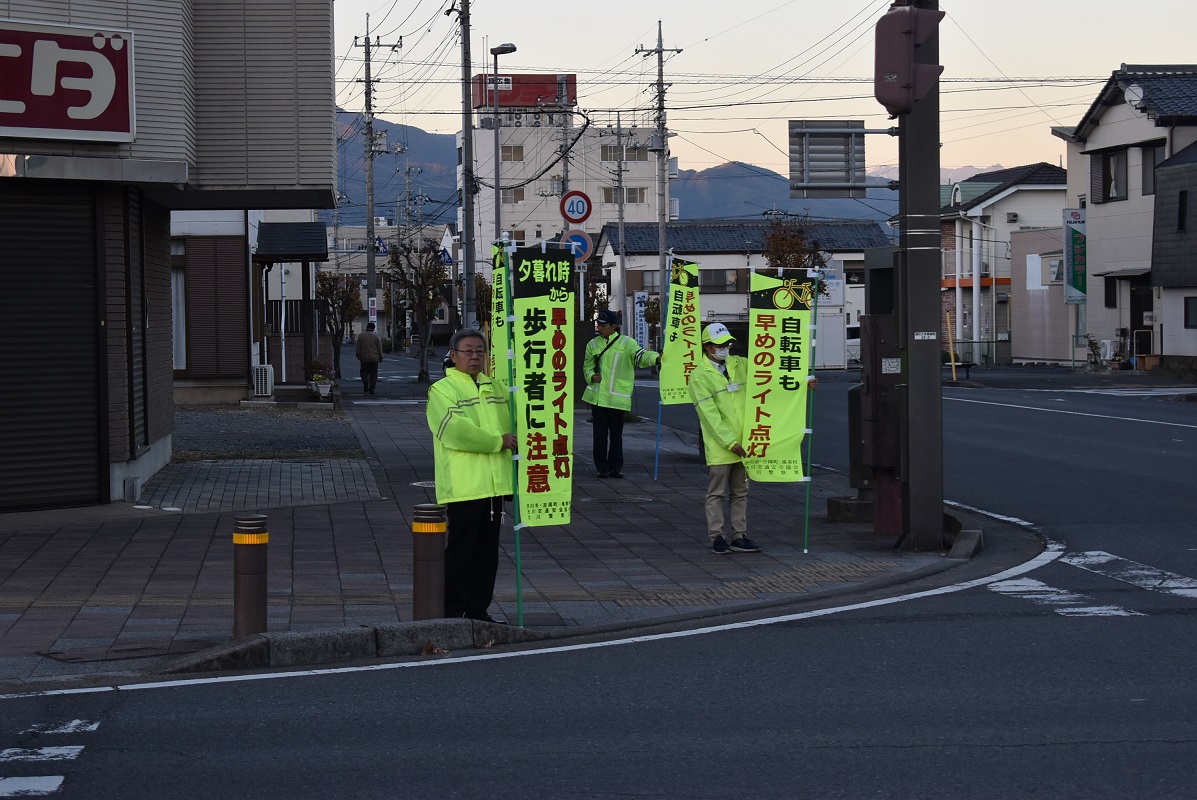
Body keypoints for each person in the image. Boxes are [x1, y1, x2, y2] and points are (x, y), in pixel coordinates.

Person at [688, 322, 816, 555]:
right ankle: (717, 536)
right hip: (722, 445)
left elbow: (771, 376)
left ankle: (739, 535)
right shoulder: (698, 377)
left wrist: (801, 382)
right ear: (707, 347)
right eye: (719, 344)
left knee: (740, 491)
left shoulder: (741, 364)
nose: (725, 347)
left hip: (747, 442)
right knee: (716, 492)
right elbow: (709, 416)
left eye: (727, 343)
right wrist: (729, 442)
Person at [426, 329, 516, 622]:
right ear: (453, 356)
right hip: (465, 487)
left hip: (494, 486)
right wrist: (497, 441)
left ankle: (478, 610)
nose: (475, 356)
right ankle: (452, 610)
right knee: (461, 552)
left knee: (487, 554)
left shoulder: (498, 388)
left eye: (480, 351)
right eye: (468, 351)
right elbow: (454, 431)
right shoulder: (443, 390)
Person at [582, 308, 661, 479]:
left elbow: (641, 356)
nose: (600, 327)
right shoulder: (592, 344)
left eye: (603, 325)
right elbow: (587, 367)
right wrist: (591, 376)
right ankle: (602, 468)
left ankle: (615, 468)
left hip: (618, 399)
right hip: (598, 398)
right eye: (598, 324)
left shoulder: (627, 343)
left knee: (616, 435)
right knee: (599, 436)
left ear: (613, 326)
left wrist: (656, 358)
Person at [355, 321, 384, 395]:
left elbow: (358, 348)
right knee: (373, 374)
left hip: (364, 358)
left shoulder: (361, 336)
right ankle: (372, 389)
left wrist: (358, 355)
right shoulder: (376, 336)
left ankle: (365, 381)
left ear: (367, 327)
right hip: (374, 358)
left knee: (363, 372)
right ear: (373, 328)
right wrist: (381, 357)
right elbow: (379, 348)